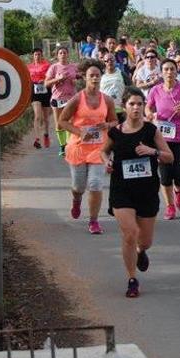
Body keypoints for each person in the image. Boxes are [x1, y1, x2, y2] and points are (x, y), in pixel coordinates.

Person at [101, 87, 173, 298]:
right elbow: (104, 151)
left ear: (144, 106)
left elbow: (168, 156)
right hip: (122, 190)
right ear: (125, 106)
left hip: (147, 190)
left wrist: (153, 151)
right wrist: (107, 162)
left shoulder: (151, 131)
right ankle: (132, 279)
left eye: (140, 104)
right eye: (132, 104)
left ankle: (141, 252)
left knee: (145, 241)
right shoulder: (115, 132)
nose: (136, 107)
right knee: (130, 233)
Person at [58, 60, 118, 234]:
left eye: (97, 75)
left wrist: (107, 126)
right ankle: (76, 200)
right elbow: (62, 121)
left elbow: (114, 120)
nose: (95, 78)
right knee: (79, 187)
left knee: (95, 184)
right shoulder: (77, 98)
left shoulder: (107, 100)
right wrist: (78, 131)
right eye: (91, 75)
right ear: (85, 78)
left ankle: (93, 221)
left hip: (99, 148)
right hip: (78, 147)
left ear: (101, 77)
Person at [146, 59, 180, 220]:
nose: (169, 72)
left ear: (177, 71)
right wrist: (149, 114)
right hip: (162, 139)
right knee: (164, 175)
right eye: (166, 69)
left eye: (172, 69)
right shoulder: (155, 90)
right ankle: (170, 206)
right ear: (161, 72)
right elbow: (148, 107)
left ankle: (179, 191)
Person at [44, 47, 79, 156]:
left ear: (68, 54)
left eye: (64, 52)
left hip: (70, 97)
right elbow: (46, 84)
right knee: (59, 123)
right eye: (60, 53)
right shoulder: (54, 67)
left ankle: (69, 145)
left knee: (69, 122)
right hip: (57, 98)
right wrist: (58, 79)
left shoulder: (73, 67)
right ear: (57, 55)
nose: (63, 54)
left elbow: (79, 78)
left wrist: (75, 81)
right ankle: (62, 145)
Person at [28, 47, 52, 149]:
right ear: (33, 56)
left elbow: (51, 76)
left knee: (46, 117)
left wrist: (44, 79)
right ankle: (37, 139)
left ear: (42, 56)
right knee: (37, 116)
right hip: (35, 91)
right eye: (35, 55)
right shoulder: (29, 67)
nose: (37, 56)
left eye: (39, 54)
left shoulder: (47, 65)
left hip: (46, 90)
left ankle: (46, 135)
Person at [99, 48, 126, 122]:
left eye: (111, 60)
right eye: (107, 61)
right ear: (104, 62)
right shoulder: (100, 75)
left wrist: (126, 102)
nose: (109, 62)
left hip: (119, 110)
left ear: (115, 61)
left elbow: (131, 88)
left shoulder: (121, 73)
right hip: (105, 110)